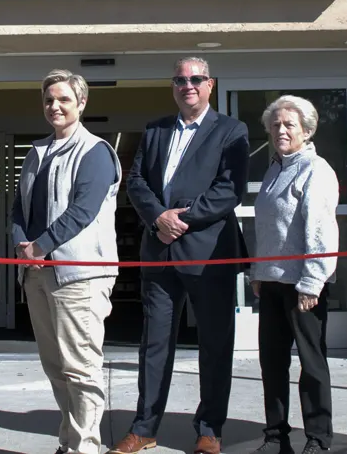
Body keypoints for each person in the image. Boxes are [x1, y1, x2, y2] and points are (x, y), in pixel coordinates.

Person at [107, 57, 249, 454]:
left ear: (210, 85)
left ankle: (210, 430)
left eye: (196, 79)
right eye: (180, 80)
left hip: (208, 253)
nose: (188, 85)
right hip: (159, 251)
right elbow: (134, 181)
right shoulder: (155, 130)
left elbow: (229, 189)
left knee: (215, 343)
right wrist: (158, 217)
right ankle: (145, 427)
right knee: (154, 343)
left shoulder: (231, 130)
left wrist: (182, 219)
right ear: (174, 87)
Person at [13, 69, 121, 454]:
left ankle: (85, 447)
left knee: (80, 367)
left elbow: (83, 211)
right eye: (48, 100)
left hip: (79, 277)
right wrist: (22, 245)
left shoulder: (95, 152)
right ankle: (69, 440)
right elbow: (18, 210)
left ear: (82, 103)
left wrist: (40, 246)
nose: (54, 106)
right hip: (37, 275)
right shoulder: (36, 152)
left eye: (63, 99)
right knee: (56, 366)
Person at [246, 95, 339, 454]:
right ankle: (275, 435)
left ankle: (318, 437)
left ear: (307, 130)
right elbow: (268, 227)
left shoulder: (316, 170)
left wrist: (313, 281)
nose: (281, 130)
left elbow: (320, 231)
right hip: (271, 282)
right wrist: (258, 270)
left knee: (311, 364)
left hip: (303, 286)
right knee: (272, 362)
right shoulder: (274, 168)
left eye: (289, 125)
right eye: (275, 125)